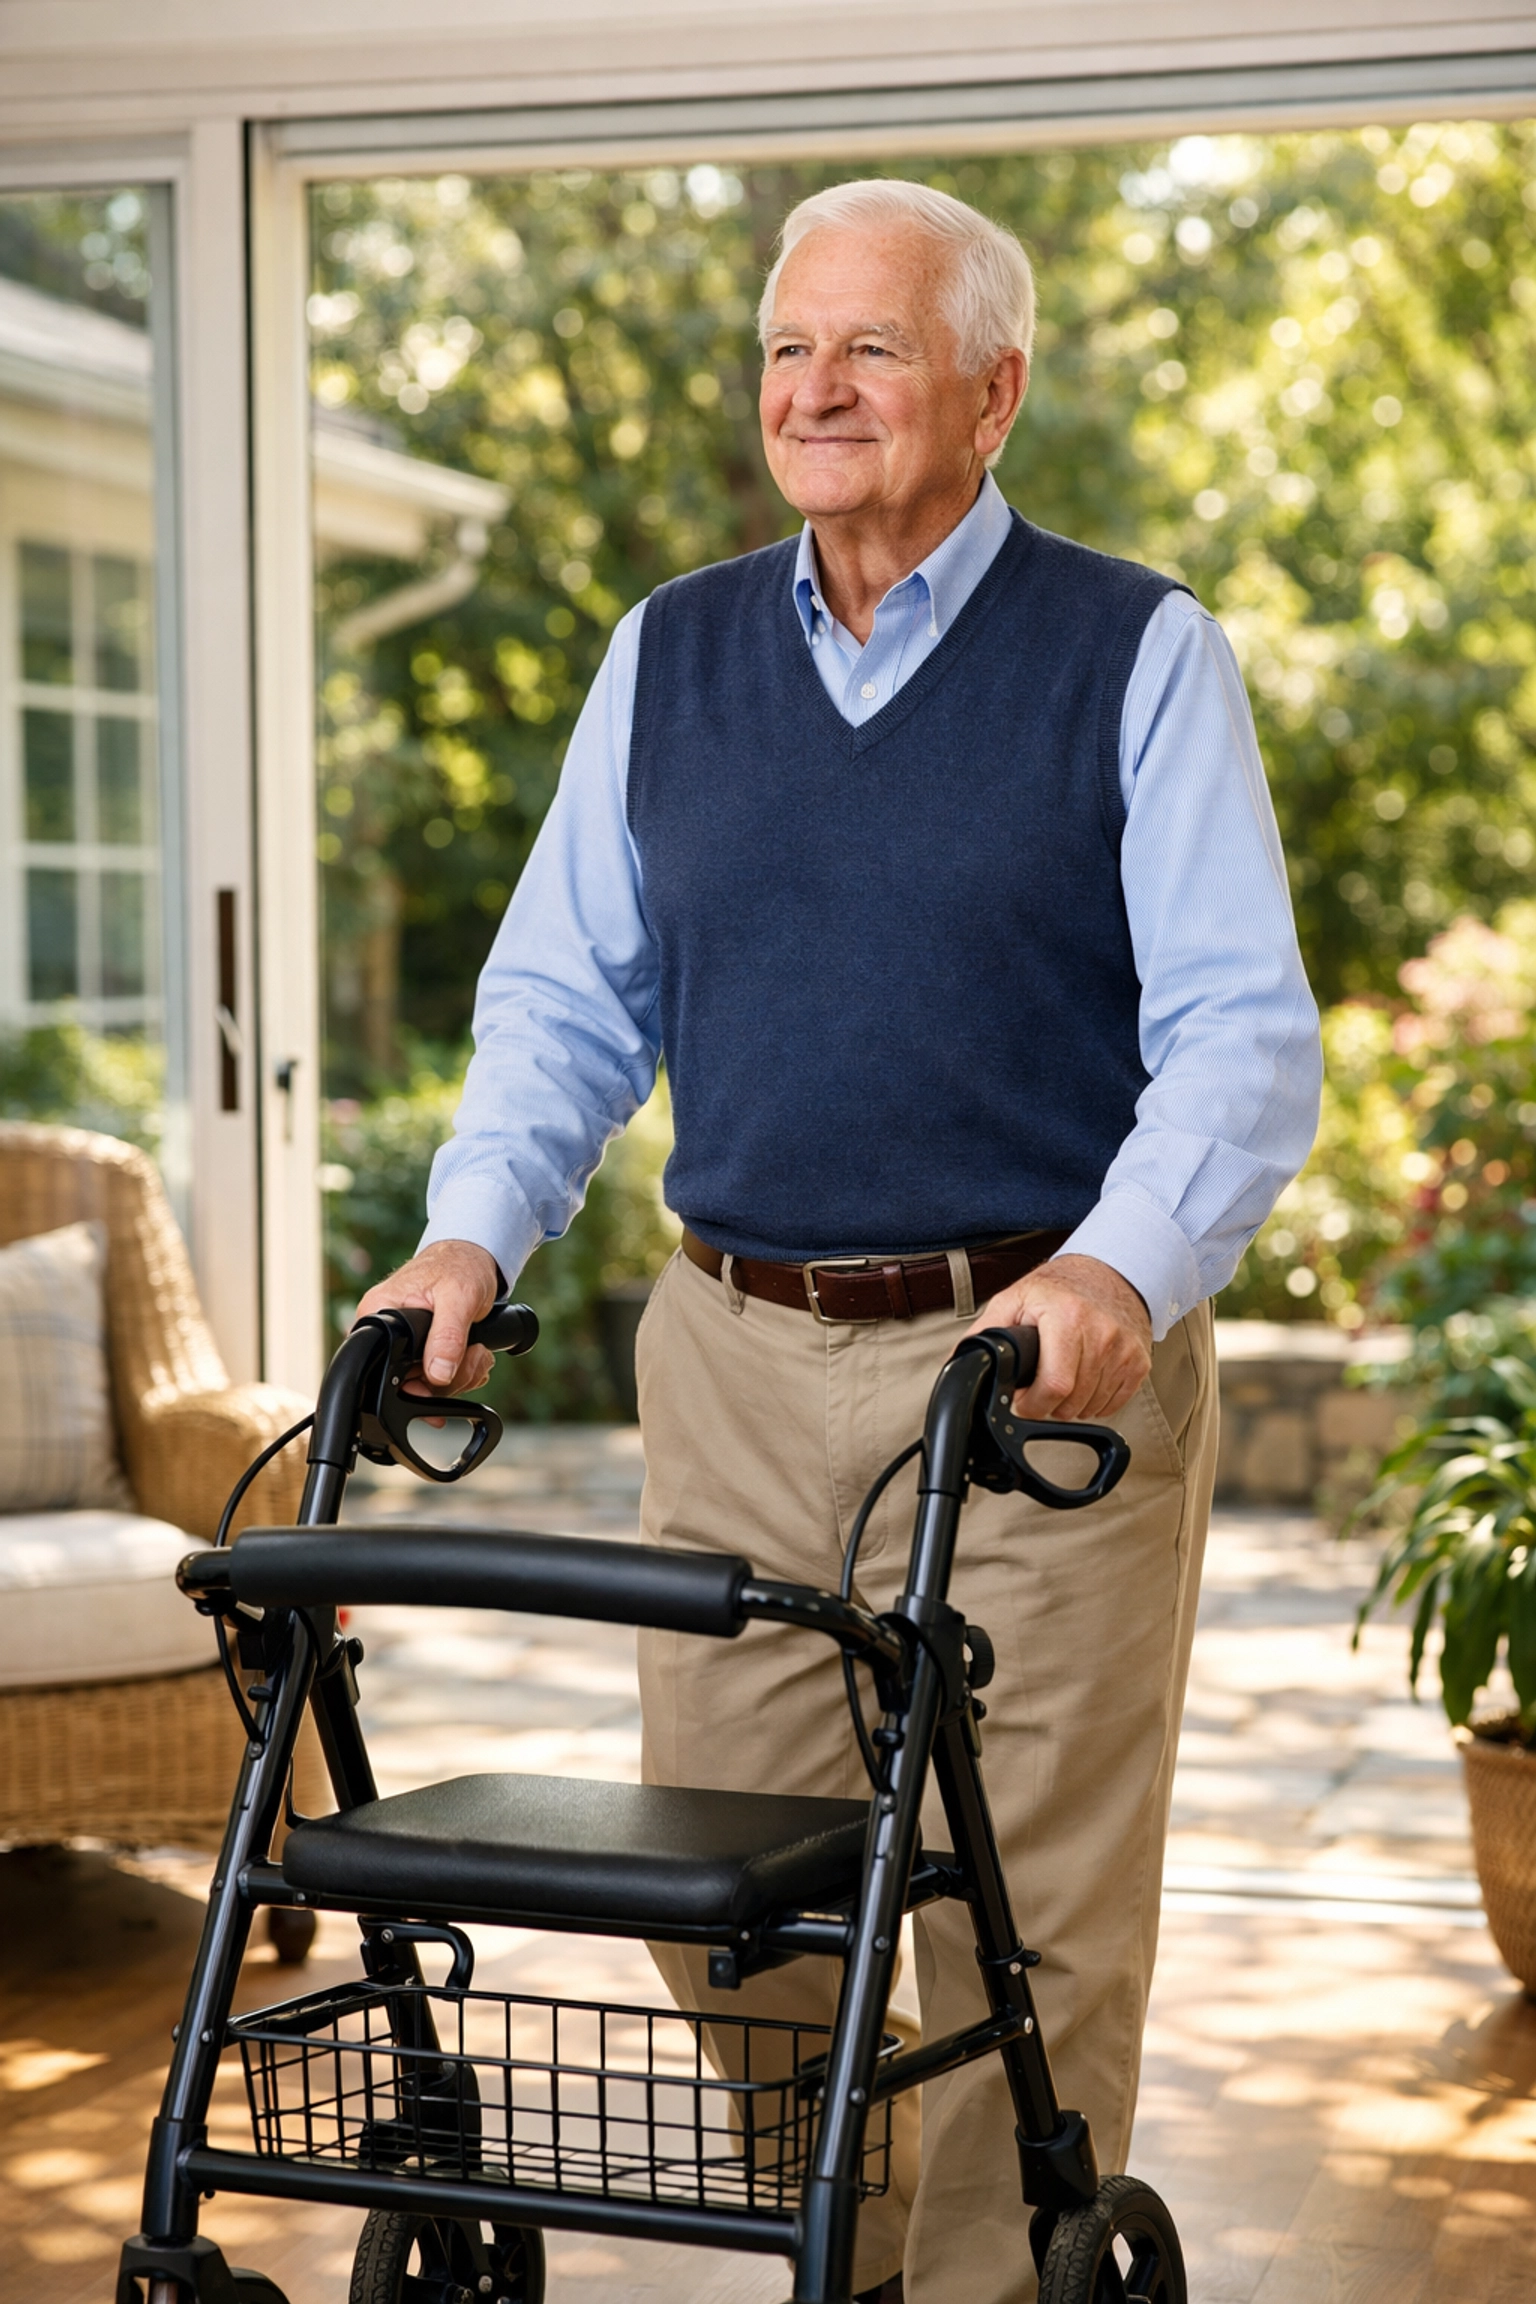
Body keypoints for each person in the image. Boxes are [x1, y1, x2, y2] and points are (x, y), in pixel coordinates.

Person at [359, 179, 1322, 2304]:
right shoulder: (670, 653)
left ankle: (979, 2286)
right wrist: (468, 1240)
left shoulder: (1133, 652)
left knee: (1020, 1912)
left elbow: (1245, 1039)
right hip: (732, 1348)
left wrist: (1117, 1266)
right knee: (731, 1881)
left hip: (1029, 1372)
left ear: (996, 386)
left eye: (870, 350)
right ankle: (853, 2259)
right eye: (789, 350)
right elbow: (563, 1003)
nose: (815, 389)